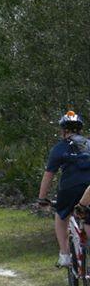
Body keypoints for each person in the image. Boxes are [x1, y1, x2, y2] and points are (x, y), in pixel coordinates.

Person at [38, 111, 90, 267]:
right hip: (89, 188)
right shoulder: (88, 144)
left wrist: (42, 198)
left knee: (61, 216)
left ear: (63, 130)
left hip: (69, 188)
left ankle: (65, 255)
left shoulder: (59, 148)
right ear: (80, 129)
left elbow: (48, 176)